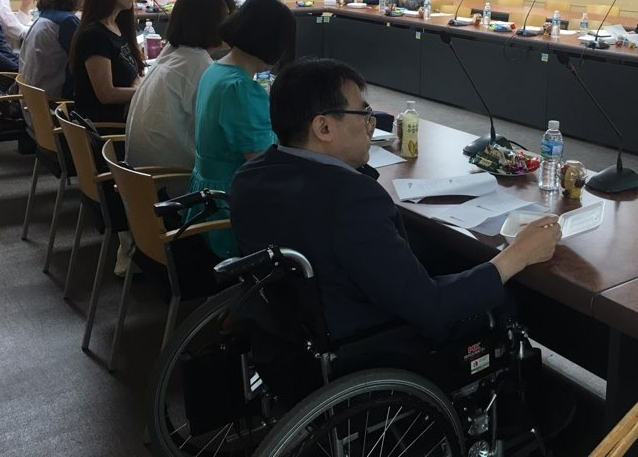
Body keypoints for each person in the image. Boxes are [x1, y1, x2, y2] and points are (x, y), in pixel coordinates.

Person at [230, 58, 561, 345]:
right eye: (364, 114)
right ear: (324, 127)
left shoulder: (249, 177)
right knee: (503, 300)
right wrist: (518, 254)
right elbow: (430, 305)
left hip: (289, 335)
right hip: (367, 342)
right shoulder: (351, 198)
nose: (370, 126)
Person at [189, 0, 296, 258]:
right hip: (231, 205)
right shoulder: (240, 88)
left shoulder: (216, 70)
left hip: (205, 198)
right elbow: (263, 164)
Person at [125, 0, 236, 171]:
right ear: (206, 24)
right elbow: (225, 133)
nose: (233, 25)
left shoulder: (174, 52)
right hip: (172, 178)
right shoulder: (198, 65)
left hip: (140, 176)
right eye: (227, 17)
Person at [69, 0, 144, 123]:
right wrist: (145, 91)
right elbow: (106, 94)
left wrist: (133, 93)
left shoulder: (118, 26)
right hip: (105, 128)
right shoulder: (94, 35)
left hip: (127, 116)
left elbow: (136, 74)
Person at [20, 0, 88, 100]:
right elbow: (90, 64)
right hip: (56, 105)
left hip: (34, 103)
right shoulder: (66, 22)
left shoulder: (46, 15)